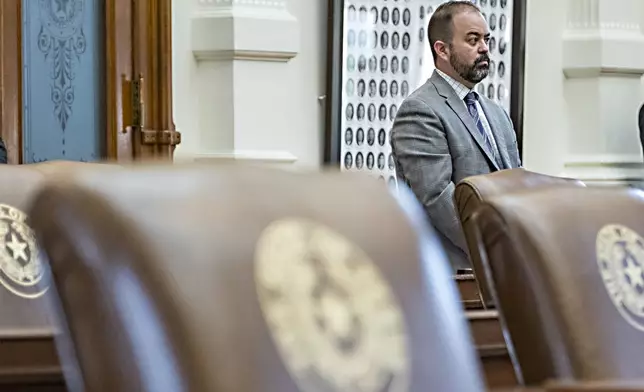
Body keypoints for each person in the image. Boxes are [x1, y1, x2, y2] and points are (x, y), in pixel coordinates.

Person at [390, 1, 521, 270]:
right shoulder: (420, 110)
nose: (484, 47)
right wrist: (493, 253)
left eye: (486, 39)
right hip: (456, 273)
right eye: (472, 40)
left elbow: (515, 184)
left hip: (504, 272)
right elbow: (437, 197)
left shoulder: (496, 113)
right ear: (442, 50)